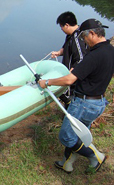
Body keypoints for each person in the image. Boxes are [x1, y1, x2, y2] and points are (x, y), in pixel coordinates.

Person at [39, 19, 114, 174]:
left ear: (92, 34)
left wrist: (47, 82)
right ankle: (67, 163)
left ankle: (95, 156)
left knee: (66, 137)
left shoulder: (94, 55)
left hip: (83, 103)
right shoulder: (110, 50)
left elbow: (69, 80)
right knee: (78, 134)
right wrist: (83, 70)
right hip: (98, 102)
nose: (84, 41)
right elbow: (104, 72)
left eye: (83, 38)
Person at [52, 12, 88, 109]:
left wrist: (70, 74)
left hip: (74, 78)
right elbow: (67, 47)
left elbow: (81, 58)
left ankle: (71, 113)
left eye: (61, 27)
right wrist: (58, 53)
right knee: (64, 95)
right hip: (69, 74)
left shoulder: (78, 37)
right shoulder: (70, 36)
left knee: (68, 97)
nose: (61, 29)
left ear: (67, 25)